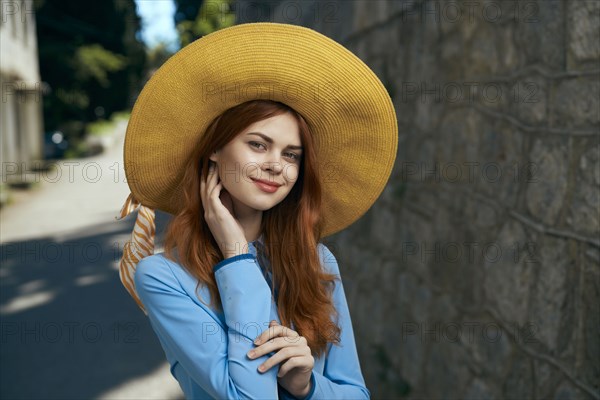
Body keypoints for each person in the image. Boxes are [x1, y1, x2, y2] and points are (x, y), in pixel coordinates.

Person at [115, 22, 397, 399]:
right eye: (258, 145)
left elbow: (355, 393)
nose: (276, 166)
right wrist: (235, 256)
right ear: (214, 149)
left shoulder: (316, 261)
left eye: (291, 154)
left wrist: (306, 386)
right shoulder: (162, 277)